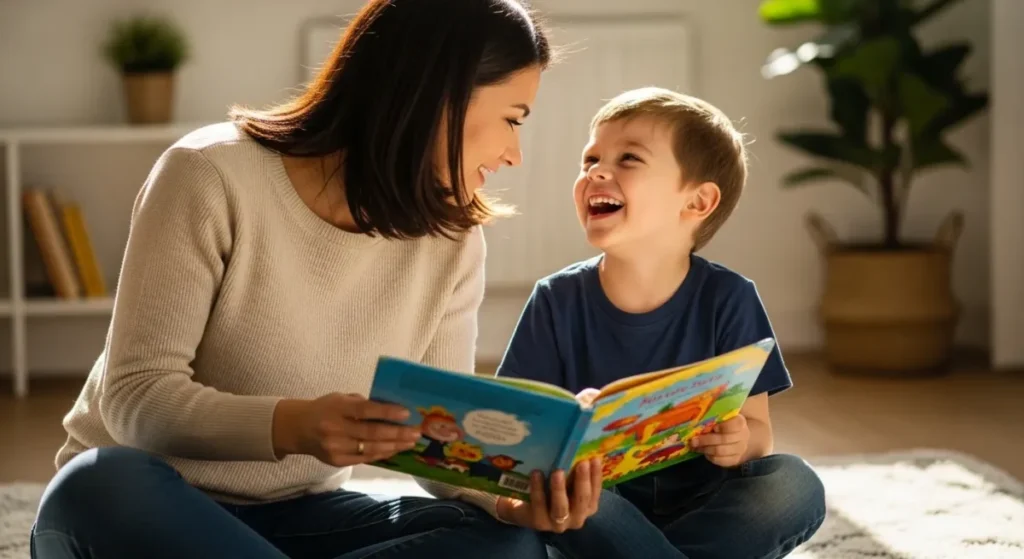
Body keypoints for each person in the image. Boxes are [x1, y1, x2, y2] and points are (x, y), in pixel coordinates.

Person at [30, 1, 603, 558]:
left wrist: (508, 506)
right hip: (150, 505)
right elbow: (136, 400)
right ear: (439, 93)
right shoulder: (208, 175)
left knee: (501, 544)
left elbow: (439, 445)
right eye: (512, 119)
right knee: (100, 482)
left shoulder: (451, 239)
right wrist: (293, 425)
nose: (514, 154)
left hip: (296, 520)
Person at [495, 87, 827, 558]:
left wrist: (738, 442)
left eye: (628, 158)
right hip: (601, 504)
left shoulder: (730, 298)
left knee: (794, 484)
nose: (597, 172)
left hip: (704, 503)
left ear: (697, 202)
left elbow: (757, 430)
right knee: (573, 504)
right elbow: (523, 434)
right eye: (590, 160)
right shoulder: (556, 300)